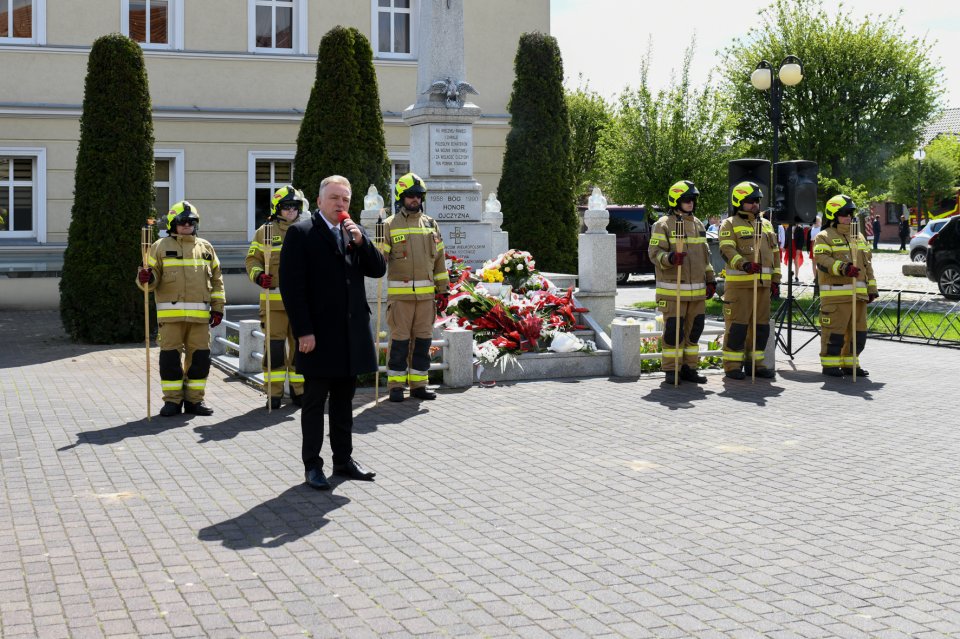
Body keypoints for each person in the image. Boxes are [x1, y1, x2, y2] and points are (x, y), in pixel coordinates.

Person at [279, 175, 386, 490]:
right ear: (320, 201)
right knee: (314, 403)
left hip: (350, 334)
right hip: (318, 335)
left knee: (344, 402)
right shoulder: (302, 233)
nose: (341, 204)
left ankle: (343, 460)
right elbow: (292, 287)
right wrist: (303, 331)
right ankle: (312, 465)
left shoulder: (354, 232)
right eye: (335, 198)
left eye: (346, 200)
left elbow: (378, 269)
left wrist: (363, 242)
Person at [137, 201, 225, 417]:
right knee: (169, 360)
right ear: (172, 224)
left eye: (191, 221)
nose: (187, 225)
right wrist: (145, 278)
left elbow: (216, 280)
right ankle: (172, 402)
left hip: (200, 318)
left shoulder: (206, 247)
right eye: (182, 221)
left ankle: (195, 401)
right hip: (171, 319)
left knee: (201, 360)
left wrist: (218, 308)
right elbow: (149, 280)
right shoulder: (158, 246)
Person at [377, 173, 449, 402]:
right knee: (399, 342)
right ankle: (396, 386)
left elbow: (439, 260)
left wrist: (444, 289)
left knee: (423, 341)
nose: (415, 199)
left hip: (426, 298)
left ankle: (419, 384)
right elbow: (379, 261)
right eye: (410, 195)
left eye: (418, 195)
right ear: (401, 197)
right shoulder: (388, 225)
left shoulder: (431, 224)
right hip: (400, 299)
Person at [246, 185, 308, 409]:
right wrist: (259, 276)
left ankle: (299, 392)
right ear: (277, 209)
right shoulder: (265, 232)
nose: (291, 211)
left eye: (294, 207)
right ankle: (273, 394)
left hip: (302, 305)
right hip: (273, 304)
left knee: (301, 350)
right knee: (274, 350)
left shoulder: (307, 229)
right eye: (286, 207)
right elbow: (252, 260)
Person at [648, 180, 716, 383]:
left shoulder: (698, 224)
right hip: (673, 291)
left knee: (694, 331)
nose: (690, 203)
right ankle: (671, 369)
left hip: (696, 293)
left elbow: (706, 256)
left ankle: (689, 368)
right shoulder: (663, 224)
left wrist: (711, 280)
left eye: (693, 200)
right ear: (675, 200)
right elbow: (654, 253)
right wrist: (669, 259)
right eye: (686, 199)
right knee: (673, 332)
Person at [717, 181, 781, 380]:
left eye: (757, 201)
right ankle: (732, 366)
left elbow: (775, 254)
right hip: (739, 286)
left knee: (761, 328)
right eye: (750, 201)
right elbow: (726, 250)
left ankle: (756, 364)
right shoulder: (729, 223)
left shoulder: (767, 224)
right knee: (738, 327)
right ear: (739, 202)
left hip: (762, 287)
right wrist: (743, 264)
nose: (755, 204)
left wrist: (776, 280)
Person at [813, 195, 878, 378]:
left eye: (850, 213)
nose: (848, 217)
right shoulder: (823, 237)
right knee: (834, 334)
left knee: (858, 335)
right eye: (844, 213)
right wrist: (843, 268)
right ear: (833, 215)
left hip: (859, 297)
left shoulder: (859, 237)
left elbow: (868, 266)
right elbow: (822, 260)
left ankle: (851, 364)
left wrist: (872, 289)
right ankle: (830, 365)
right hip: (836, 297)